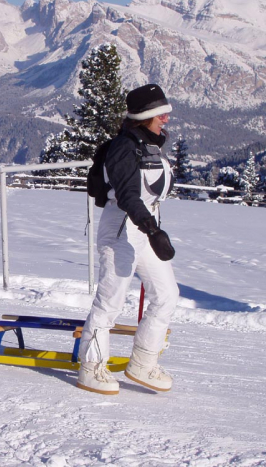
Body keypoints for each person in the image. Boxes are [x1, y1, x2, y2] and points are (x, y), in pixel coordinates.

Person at [77, 84, 179, 395]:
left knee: (167, 295)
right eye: (161, 114)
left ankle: (143, 362)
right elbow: (127, 196)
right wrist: (153, 230)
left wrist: (152, 229)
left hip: (144, 228)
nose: (166, 120)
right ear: (145, 116)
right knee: (110, 300)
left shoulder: (150, 146)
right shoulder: (124, 148)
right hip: (121, 227)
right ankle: (91, 367)